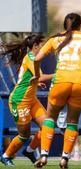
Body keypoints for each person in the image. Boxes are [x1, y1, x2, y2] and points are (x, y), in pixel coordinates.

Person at [31, 13, 81, 168]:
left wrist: (36, 76)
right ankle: (64, 158)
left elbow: (36, 59)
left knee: (50, 119)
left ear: (64, 24)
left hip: (60, 81)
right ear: (80, 25)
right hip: (80, 82)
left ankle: (43, 156)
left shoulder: (54, 39)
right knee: (72, 121)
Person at [0, 34, 53, 166]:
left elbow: (32, 77)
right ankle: (5, 156)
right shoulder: (30, 58)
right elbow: (39, 77)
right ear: (35, 46)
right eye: (41, 45)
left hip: (31, 99)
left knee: (47, 125)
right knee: (24, 135)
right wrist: (59, 74)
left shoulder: (34, 58)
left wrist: (35, 84)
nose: (43, 47)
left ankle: (29, 151)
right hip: (19, 100)